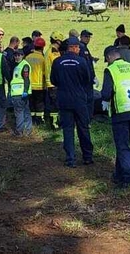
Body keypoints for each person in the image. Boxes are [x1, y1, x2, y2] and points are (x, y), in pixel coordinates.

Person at [50, 37, 93, 167]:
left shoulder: (57, 62)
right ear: (73, 47)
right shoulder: (81, 61)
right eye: (78, 47)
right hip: (79, 100)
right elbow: (87, 79)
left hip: (64, 100)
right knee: (83, 128)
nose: (79, 49)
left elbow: (53, 80)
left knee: (68, 130)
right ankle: (87, 156)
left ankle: (70, 159)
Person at [101, 46, 130, 188]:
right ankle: (119, 174)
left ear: (109, 57)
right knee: (123, 144)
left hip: (120, 111)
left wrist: (104, 102)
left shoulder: (111, 70)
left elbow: (106, 92)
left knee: (123, 146)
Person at [25, 37, 49, 125]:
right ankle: (39, 121)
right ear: (43, 47)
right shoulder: (42, 59)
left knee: (31, 103)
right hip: (39, 85)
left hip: (30, 85)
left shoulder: (27, 57)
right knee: (39, 104)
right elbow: (44, 72)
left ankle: (31, 120)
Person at [9, 49, 32, 136]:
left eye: (19, 55)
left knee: (19, 112)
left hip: (20, 93)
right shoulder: (17, 65)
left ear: (23, 55)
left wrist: (25, 91)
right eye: (15, 55)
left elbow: (26, 79)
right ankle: (27, 131)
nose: (17, 57)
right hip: (17, 92)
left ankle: (19, 131)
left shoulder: (24, 65)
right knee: (25, 111)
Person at [45, 31, 64, 129]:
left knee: (54, 104)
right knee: (55, 105)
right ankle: (54, 124)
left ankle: (53, 122)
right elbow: (58, 65)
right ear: (58, 41)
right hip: (53, 83)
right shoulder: (53, 52)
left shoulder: (49, 50)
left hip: (51, 82)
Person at [79, 29, 97, 118]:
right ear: (81, 37)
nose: (88, 38)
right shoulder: (81, 47)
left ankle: (88, 117)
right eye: (86, 36)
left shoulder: (84, 47)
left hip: (88, 79)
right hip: (85, 80)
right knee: (87, 100)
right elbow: (85, 65)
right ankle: (87, 118)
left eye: (89, 37)